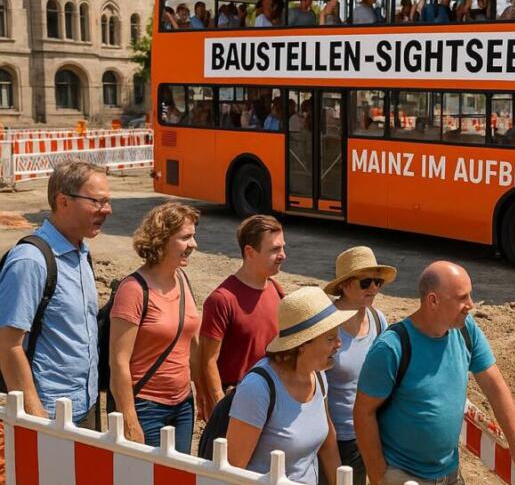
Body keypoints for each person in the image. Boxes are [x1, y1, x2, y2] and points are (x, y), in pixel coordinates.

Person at [355, 261, 515, 485]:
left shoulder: (466, 330)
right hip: (404, 477)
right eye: (462, 298)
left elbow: (494, 385)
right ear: (433, 300)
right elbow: (363, 413)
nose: (471, 305)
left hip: (449, 475)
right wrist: (378, 476)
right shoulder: (391, 347)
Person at [0, 161, 111, 428]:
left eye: (108, 201)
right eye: (97, 201)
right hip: (49, 414)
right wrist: (35, 413)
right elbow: (8, 345)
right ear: (63, 202)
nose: (107, 210)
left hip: (86, 404)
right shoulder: (31, 261)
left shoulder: (81, 254)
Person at [226, 286, 348, 485]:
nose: (339, 343)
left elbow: (328, 441)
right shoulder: (257, 388)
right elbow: (233, 468)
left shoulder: (318, 376)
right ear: (302, 345)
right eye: (330, 338)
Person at [109, 203, 202, 453]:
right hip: (146, 407)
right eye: (185, 238)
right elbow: (118, 362)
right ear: (161, 240)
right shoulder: (133, 290)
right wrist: (129, 421)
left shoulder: (182, 279)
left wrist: (201, 392)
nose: (193, 244)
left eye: (193, 236)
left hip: (183, 404)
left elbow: (191, 344)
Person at [199, 215, 287, 419]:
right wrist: (221, 406)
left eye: (282, 247)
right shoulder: (222, 300)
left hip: (272, 399)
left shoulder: (276, 290)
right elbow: (208, 360)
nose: (283, 255)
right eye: (274, 249)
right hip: (237, 402)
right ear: (250, 252)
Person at [321, 247, 393, 485]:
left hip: (371, 432)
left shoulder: (377, 319)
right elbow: (316, 387)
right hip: (337, 438)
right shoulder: (326, 325)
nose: (374, 288)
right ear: (344, 285)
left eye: (378, 282)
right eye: (366, 282)